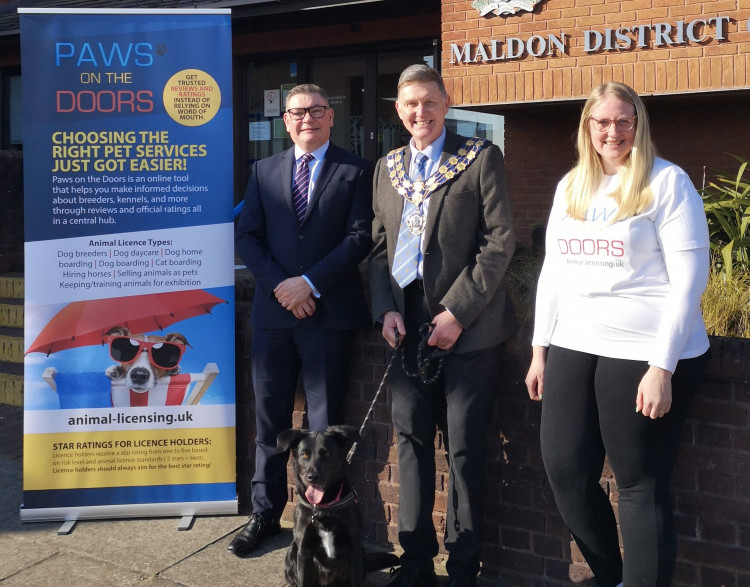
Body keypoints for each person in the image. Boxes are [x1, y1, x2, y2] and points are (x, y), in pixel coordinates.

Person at [525, 82, 711, 587]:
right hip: (575, 342)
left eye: (623, 121)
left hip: (644, 347)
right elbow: (553, 273)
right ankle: (611, 576)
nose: (613, 131)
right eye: (602, 122)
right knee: (564, 468)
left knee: (637, 482)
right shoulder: (572, 186)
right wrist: (540, 349)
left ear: (639, 124)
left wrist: (663, 366)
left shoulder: (666, 182)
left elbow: (689, 280)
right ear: (587, 127)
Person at [369, 64, 518, 587]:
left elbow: (499, 243)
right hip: (406, 330)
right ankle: (414, 560)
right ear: (399, 111)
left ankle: (462, 566)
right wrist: (385, 307)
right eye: (410, 104)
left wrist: (456, 312)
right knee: (409, 441)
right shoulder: (388, 168)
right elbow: (379, 247)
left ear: (446, 103)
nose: (421, 113)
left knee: (462, 447)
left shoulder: (478, 159)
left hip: (471, 331)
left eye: (430, 102)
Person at [231, 83, 373, 556]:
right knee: (270, 423)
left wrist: (309, 283)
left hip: (328, 314)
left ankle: (324, 521)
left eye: (316, 110)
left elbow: (359, 238)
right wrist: (283, 287)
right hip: (276, 317)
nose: (306, 118)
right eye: (297, 112)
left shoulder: (356, 171)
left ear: (331, 116)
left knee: (326, 426)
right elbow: (248, 236)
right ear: (285, 121)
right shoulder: (264, 171)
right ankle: (265, 514)